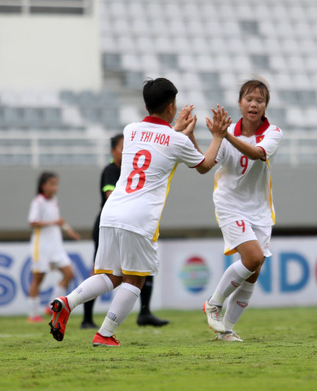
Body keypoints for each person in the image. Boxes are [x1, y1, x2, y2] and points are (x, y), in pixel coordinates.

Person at [48, 77, 230, 346]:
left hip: (112, 211)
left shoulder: (131, 130)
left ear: (147, 105)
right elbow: (204, 165)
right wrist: (217, 136)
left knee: (109, 276)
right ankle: (105, 334)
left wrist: (176, 130)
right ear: (171, 107)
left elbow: (158, 142)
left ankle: (68, 301)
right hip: (138, 217)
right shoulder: (174, 140)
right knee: (135, 280)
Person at [203, 79, 283, 341]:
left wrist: (225, 134)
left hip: (259, 210)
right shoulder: (226, 135)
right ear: (240, 103)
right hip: (230, 204)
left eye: (260, 100)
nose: (254, 104)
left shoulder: (273, 133)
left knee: (255, 269)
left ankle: (224, 331)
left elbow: (257, 153)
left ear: (265, 106)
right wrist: (198, 136)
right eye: (249, 99)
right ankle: (214, 303)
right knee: (252, 258)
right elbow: (205, 164)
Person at [81, 134, 169, 329]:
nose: (126, 150)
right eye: (122, 147)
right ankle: (86, 318)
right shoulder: (112, 170)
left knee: (144, 264)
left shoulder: (132, 170)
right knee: (100, 270)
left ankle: (145, 312)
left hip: (130, 223)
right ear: (113, 150)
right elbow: (111, 196)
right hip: (111, 225)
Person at [27, 172, 80, 323]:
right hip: (41, 246)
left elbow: (58, 221)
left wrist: (70, 231)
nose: (55, 187)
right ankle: (32, 315)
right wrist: (53, 223)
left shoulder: (54, 200)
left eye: (56, 184)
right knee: (38, 279)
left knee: (69, 274)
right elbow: (32, 222)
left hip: (56, 246)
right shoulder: (38, 202)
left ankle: (51, 307)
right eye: (52, 184)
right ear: (43, 186)